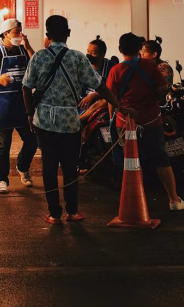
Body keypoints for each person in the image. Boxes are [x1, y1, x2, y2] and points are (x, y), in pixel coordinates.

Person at [22, 15, 131, 225]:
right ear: (68, 33)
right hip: (70, 121)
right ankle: (72, 211)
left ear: (47, 35)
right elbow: (100, 87)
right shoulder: (77, 58)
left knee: (49, 167)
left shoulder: (39, 57)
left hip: (44, 120)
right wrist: (119, 106)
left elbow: (26, 88)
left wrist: (29, 113)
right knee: (70, 166)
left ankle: (54, 214)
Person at [107, 32, 184, 212]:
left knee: (130, 162)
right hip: (151, 120)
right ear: (138, 49)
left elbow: (111, 100)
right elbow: (161, 90)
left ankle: (135, 202)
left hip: (125, 123)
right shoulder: (150, 67)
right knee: (160, 158)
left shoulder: (115, 70)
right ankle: (174, 200)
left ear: (120, 50)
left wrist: (114, 120)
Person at [0, 18, 38, 193]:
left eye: (20, 32)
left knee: (32, 141)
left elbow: (36, 65)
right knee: (3, 145)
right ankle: (2, 180)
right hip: (4, 105)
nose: (19, 35)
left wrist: (28, 47)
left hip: (24, 104)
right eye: (16, 32)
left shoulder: (23, 49)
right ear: (6, 34)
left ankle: (22, 167)